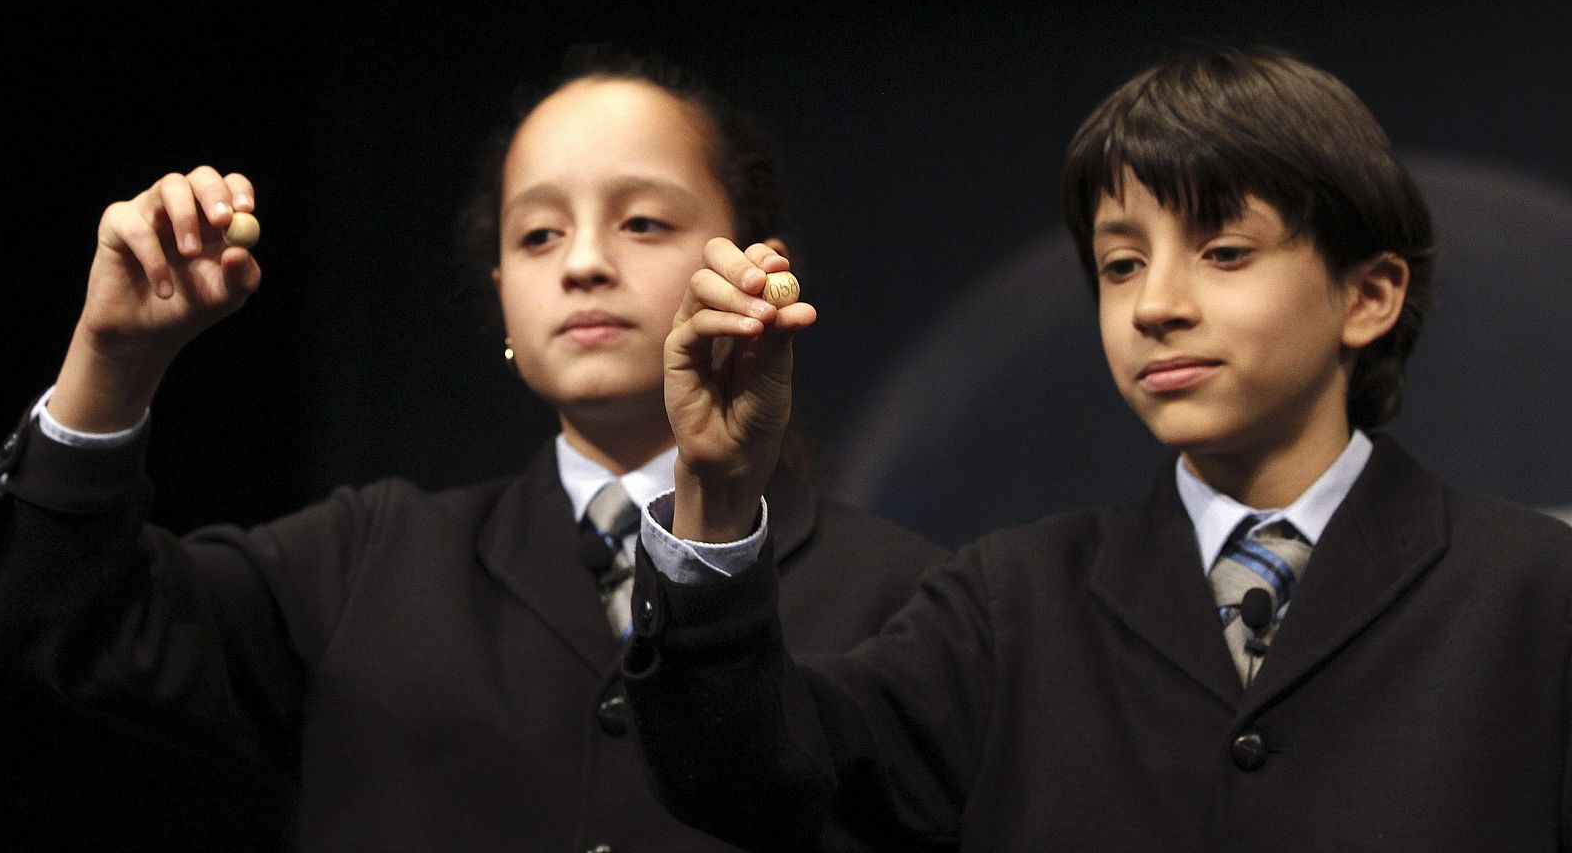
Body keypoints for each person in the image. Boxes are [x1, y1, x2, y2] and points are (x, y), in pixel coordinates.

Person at [0, 48, 946, 851]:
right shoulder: (363, 562)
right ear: (502, 298)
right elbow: (62, 612)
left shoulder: (905, 596)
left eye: (643, 220)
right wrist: (112, 355)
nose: (582, 261)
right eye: (537, 234)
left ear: (756, 258)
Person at [624, 45, 1572, 851]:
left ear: (1369, 296)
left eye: (1225, 251)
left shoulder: (1537, 593)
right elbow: (748, 776)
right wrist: (714, 489)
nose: (1155, 305)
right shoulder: (1010, 605)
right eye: (1121, 263)